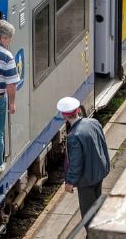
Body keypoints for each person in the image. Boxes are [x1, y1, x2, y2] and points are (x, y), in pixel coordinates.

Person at [56, 96, 110, 233]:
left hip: (86, 180)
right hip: (99, 172)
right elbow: (102, 144)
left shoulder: (73, 136)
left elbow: (76, 163)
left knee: (88, 213)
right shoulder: (93, 122)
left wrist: (69, 182)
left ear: (64, 116)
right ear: (78, 110)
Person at [0, 20, 20, 174]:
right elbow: (11, 85)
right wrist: (12, 104)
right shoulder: (7, 57)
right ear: (2, 38)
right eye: (9, 38)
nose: (10, 41)